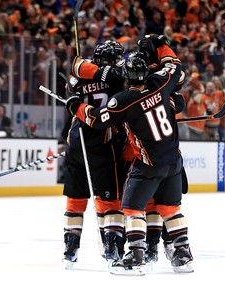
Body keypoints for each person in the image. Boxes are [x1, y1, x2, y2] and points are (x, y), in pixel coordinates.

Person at [66, 37, 193, 275]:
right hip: (174, 161)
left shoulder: (125, 100)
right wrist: (160, 45)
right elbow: (176, 72)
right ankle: (183, 256)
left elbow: (97, 118)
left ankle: (136, 257)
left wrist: (76, 107)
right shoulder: (161, 83)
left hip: (147, 163)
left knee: (133, 207)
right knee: (170, 208)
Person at [62, 40, 128, 270]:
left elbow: (72, 84)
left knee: (75, 200)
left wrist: (78, 81)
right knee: (110, 200)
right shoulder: (120, 76)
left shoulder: (82, 72)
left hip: (77, 140)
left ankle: (70, 249)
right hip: (104, 143)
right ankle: (112, 247)